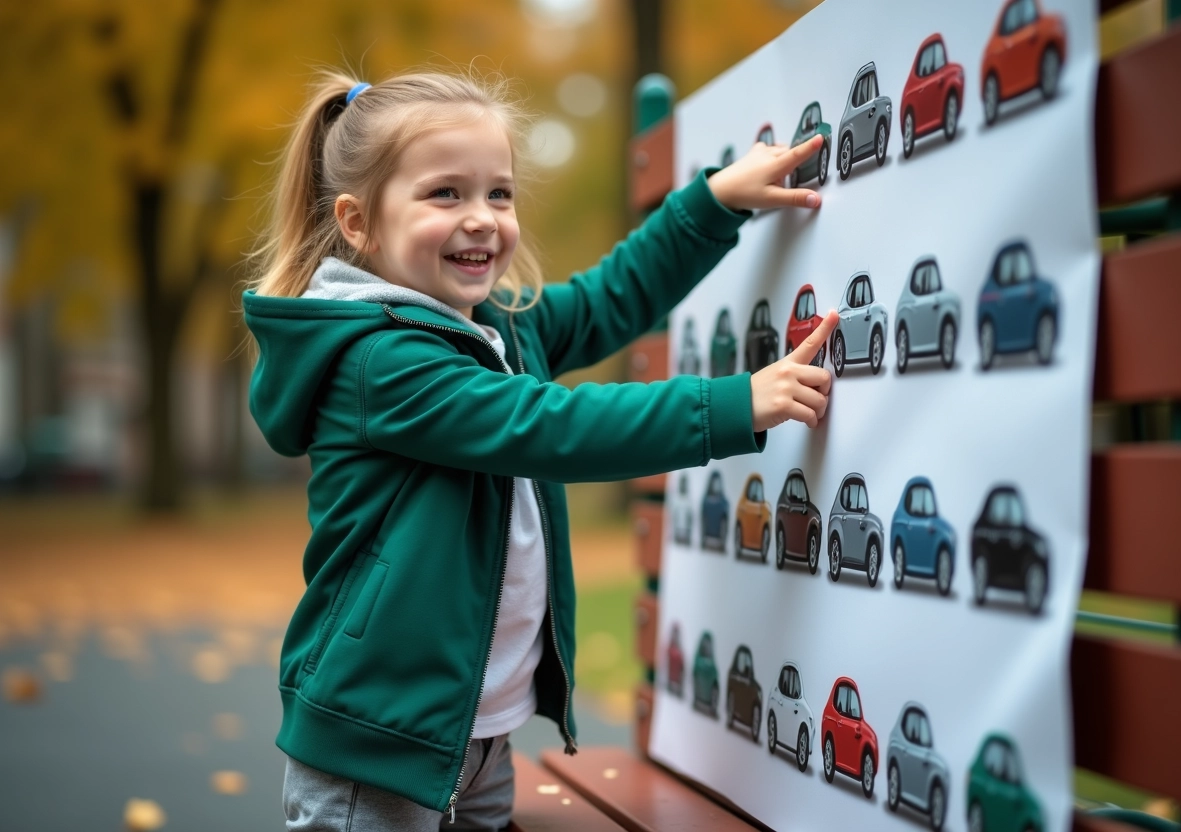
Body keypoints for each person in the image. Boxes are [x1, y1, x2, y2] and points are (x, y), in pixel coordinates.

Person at [243, 68, 837, 832]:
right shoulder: (379, 362)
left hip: (476, 734)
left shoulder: (498, 326)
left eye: (499, 193)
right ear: (359, 223)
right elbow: (548, 426)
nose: (482, 218)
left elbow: (606, 300)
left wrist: (712, 204)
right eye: (445, 194)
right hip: (377, 744)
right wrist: (732, 404)